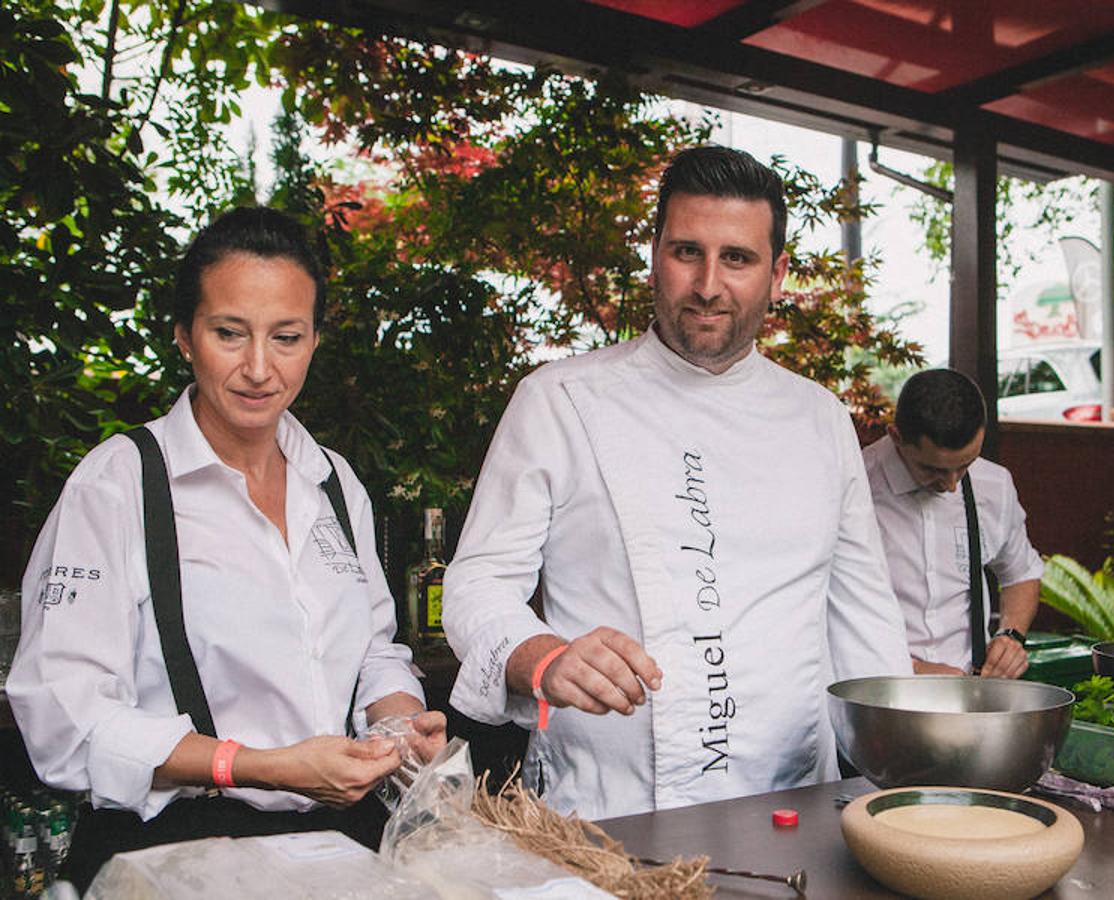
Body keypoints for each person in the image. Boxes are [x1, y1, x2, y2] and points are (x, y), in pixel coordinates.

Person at [442, 146, 910, 821]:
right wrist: (539, 654)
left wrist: (899, 776)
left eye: (739, 259)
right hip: (601, 810)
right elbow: (479, 582)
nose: (709, 285)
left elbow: (864, 613)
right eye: (687, 251)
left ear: (777, 273)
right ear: (655, 254)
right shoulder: (559, 400)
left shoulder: (822, 419)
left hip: (789, 808)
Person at [8, 207, 446, 890]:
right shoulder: (121, 483)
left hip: (337, 849)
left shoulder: (332, 482)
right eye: (229, 333)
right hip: (176, 854)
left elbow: (373, 649)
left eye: (287, 337)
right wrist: (257, 764)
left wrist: (399, 725)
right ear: (185, 336)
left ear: (315, 341)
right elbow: (65, 719)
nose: (259, 368)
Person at [862, 368, 1042, 679]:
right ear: (896, 437)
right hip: (873, 691)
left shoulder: (994, 485)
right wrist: (911, 669)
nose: (951, 486)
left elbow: (1021, 572)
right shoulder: (855, 484)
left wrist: (1010, 636)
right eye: (933, 469)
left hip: (969, 696)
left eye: (965, 466)